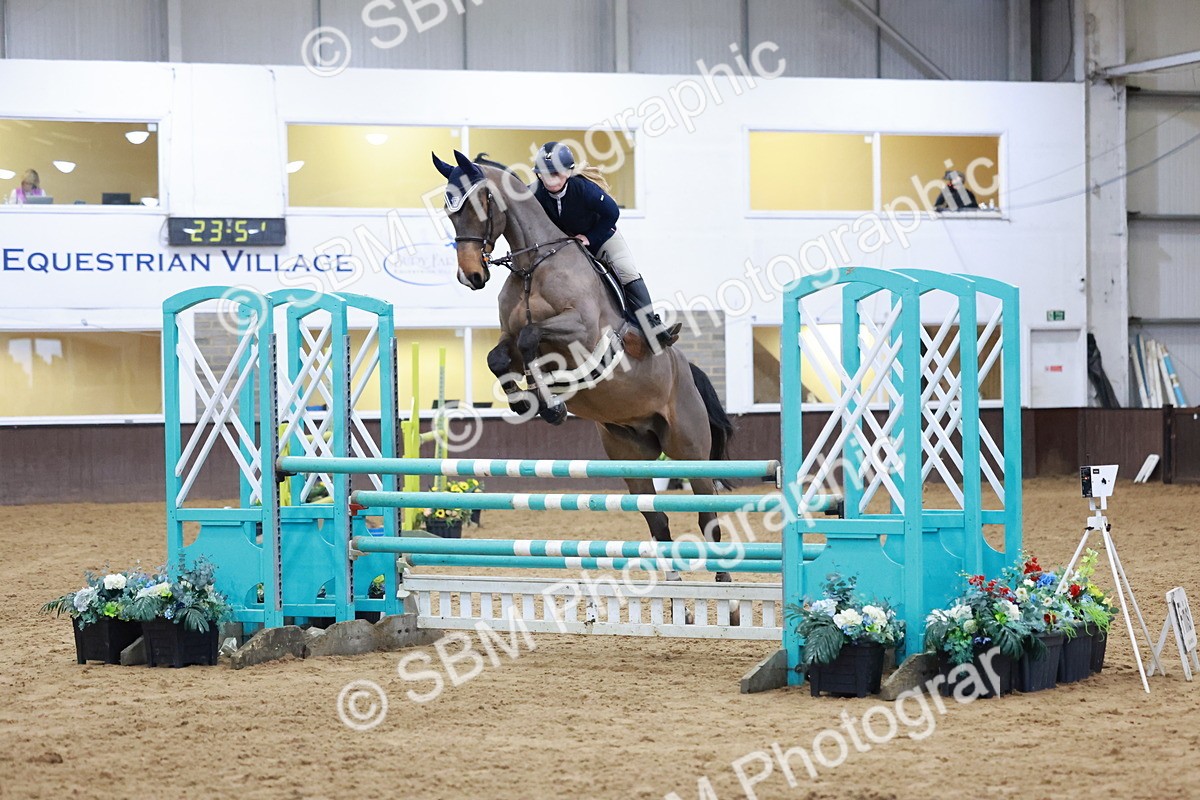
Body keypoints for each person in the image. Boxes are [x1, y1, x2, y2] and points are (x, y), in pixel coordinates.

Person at [530, 142, 680, 348]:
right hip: (569, 248)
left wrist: (589, 238)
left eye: (555, 173)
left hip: (602, 238)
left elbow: (612, 213)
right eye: (545, 174)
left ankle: (652, 327)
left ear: (567, 172)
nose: (550, 179)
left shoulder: (584, 189)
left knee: (627, 271)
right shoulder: (536, 193)